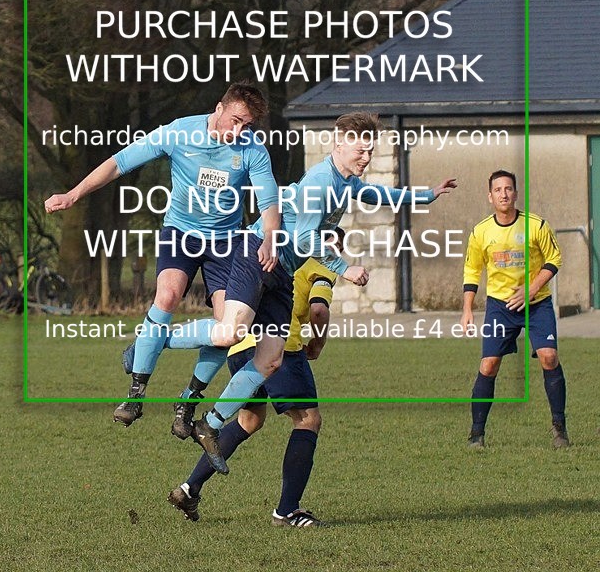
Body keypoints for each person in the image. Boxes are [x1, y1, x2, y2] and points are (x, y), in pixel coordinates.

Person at [159, 111, 456, 475]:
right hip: (257, 253)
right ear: (337, 144)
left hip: (282, 272)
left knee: (270, 359)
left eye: (370, 151)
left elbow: (381, 193)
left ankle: (211, 422)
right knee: (230, 333)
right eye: (360, 150)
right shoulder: (320, 182)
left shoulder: (347, 181)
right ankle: (154, 339)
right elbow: (303, 238)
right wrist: (346, 269)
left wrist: (428, 195)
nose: (366, 157)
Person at [44, 82, 280, 425]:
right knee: (167, 295)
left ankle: (188, 398)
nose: (239, 130)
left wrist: (270, 237)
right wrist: (73, 194)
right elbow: (119, 162)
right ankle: (136, 394)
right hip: (181, 232)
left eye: (247, 125)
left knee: (228, 327)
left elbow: (270, 202)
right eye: (236, 120)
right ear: (219, 108)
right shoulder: (179, 132)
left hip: (226, 242)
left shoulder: (252, 150)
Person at [167, 229, 346, 528]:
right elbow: (318, 310)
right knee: (307, 420)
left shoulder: (280, 252)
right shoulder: (323, 262)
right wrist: (317, 344)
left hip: (241, 347)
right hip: (279, 348)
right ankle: (287, 511)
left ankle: (189, 489)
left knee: (249, 421)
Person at [460, 170, 568, 449]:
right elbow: (472, 270)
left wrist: (532, 288)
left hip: (537, 303)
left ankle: (559, 428)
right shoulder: (481, 232)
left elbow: (554, 258)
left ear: (516, 194)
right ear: (490, 196)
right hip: (500, 306)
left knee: (549, 357)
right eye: (498, 190)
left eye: (508, 189)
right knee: (489, 364)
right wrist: (467, 309)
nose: (504, 194)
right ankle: (476, 434)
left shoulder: (536, 225)